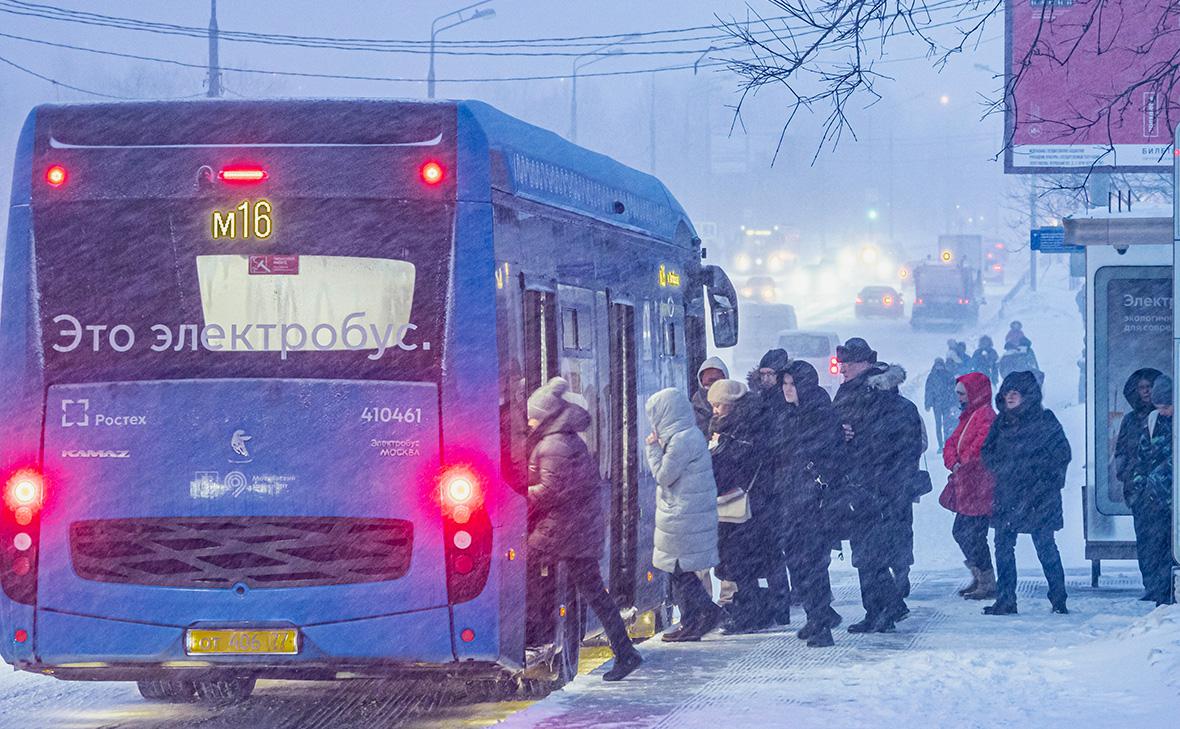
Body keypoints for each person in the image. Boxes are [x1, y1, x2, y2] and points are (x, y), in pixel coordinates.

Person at [527, 377, 642, 681]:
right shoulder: (564, 439)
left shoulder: (554, 445)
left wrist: (514, 497)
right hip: (577, 526)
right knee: (594, 592)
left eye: (534, 415)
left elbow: (551, 490)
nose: (530, 421)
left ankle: (624, 653)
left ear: (547, 416)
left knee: (525, 566)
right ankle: (625, 652)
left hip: (567, 529)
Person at [833, 338, 924, 633]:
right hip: (859, 488)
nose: (843, 367)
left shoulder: (890, 405)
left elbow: (898, 449)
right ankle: (881, 609)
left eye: (849, 361)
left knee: (875, 554)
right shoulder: (848, 395)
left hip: (882, 490)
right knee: (865, 554)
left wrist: (854, 439)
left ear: (866, 364)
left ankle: (886, 609)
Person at [981, 371, 1071, 615]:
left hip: (1039, 497)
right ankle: (1006, 598)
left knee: (1045, 546)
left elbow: (1062, 454)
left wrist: (1039, 477)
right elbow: (987, 452)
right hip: (1008, 495)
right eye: (1007, 391)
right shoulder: (1001, 423)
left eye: (1015, 392)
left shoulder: (1045, 420)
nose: (1009, 396)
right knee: (1003, 546)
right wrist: (1005, 469)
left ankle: (1058, 597)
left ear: (1027, 395)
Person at [645, 388, 724, 641]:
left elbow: (663, 476)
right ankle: (696, 619)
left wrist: (652, 449)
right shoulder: (689, 435)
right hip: (688, 514)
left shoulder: (680, 441)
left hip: (683, 515)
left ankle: (700, 617)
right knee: (680, 571)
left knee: (679, 572)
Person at [779, 361, 845, 647]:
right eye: (785, 384)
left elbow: (825, 454)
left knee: (812, 565)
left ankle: (821, 624)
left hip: (814, 504)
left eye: (792, 384)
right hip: (794, 501)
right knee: (800, 563)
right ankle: (815, 617)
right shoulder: (793, 413)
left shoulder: (818, 414)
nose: (787, 389)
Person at [705, 379, 769, 633]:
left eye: (718, 405)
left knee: (740, 560)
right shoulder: (726, 426)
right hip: (730, 502)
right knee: (734, 560)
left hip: (743, 504)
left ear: (731, 404)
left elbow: (735, 463)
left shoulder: (743, 428)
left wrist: (719, 450)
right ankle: (749, 607)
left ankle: (751, 610)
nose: (714, 410)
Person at [940, 372, 997, 600]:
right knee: (966, 532)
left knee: (971, 533)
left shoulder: (984, 417)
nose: (959, 398)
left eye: (962, 393)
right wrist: (954, 462)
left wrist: (958, 463)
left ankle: (986, 579)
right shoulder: (971, 415)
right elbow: (951, 445)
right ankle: (982, 576)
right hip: (969, 484)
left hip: (978, 486)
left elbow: (977, 449)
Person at [1129, 375, 1178, 606]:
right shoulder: (1152, 422)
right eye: (1159, 407)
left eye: (1167, 406)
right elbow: (1141, 459)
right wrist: (1138, 493)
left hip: (1172, 501)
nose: (1164, 411)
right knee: (1156, 547)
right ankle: (1160, 592)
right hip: (1154, 500)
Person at [1114, 368, 1163, 504]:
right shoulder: (1129, 420)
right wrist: (1125, 474)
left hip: (1161, 489)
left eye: (1149, 386)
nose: (1146, 391)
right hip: (1136, 489)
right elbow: (1121, 450)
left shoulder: (1165, 416)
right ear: (1136, 391)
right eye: (1142, 387)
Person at [925, 358, 958, 448]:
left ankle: (947, 443)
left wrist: (955, 402)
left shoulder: (948, 375)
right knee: (939, 425)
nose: (939, 366)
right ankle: (940, 445)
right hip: (937, 405)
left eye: (940, 364)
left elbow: (954, 390)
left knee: (947, 424)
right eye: (937, 364)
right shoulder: (932, 376)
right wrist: (928, 403)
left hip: (947, 404)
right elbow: (928, 390)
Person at [693, 356, 729, 435]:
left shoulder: (735, 407)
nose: (712, 389)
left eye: (716, 383)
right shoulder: (693, 410)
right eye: (707, 385)